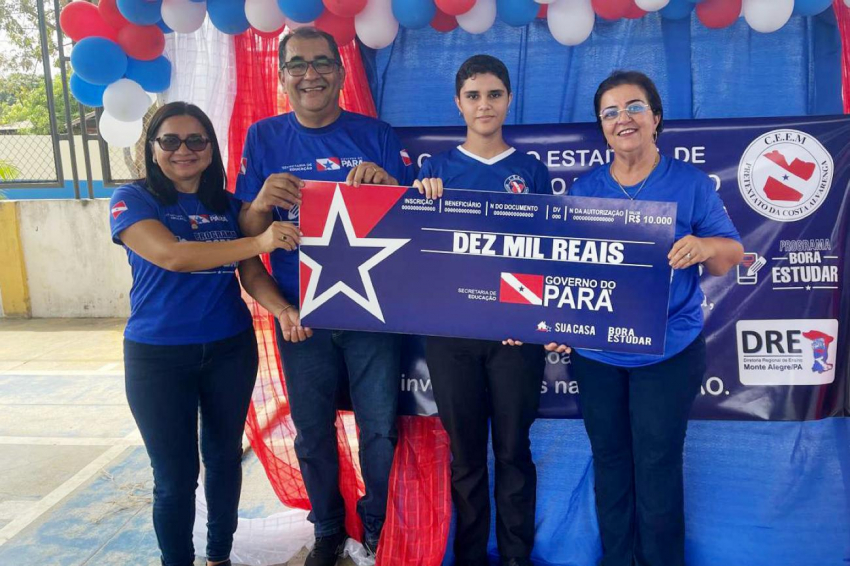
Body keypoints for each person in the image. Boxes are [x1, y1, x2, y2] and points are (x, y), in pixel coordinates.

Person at [547, 70, 744, 566]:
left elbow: (730, 254)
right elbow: (568, 271)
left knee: (656, 465)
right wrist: (557, 324)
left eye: (634, 107)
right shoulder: (585, 188)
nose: (623, 119)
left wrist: (703, 246)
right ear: (602, 127)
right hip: (597, 355)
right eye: (610, 112)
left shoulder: (691, 183)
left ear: (655, 117)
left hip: (668, 350)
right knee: (611, 465)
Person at [235, 27, 414, 566]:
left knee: (379, 429)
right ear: (282, 75)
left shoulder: (376, 133)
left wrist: (388, 185)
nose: (309, 74)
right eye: (297, 65)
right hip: (300, 317)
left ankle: (378, 521)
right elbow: (244, 236)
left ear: (339, 74)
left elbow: (415, 228)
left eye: (321, 64)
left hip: (372, 312)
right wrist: (262, 201)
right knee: (312, 432)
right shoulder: (263, 137)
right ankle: (329, 529)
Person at [109, 101, 299, 566]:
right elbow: (173, 255)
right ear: (152, 149)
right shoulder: (132, 199)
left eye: (196, 139)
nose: (184, 150)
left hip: (229, 350)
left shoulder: (227, 206)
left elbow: (251, 274)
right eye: (169, 140)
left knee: (223, 460)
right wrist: (259, 239)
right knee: (174, 477)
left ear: (212, 149)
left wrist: (283, 310)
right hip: (158, 357)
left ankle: (219, 557)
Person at [415, 54, 550, 566]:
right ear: (458, 103)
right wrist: (421, 200)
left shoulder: (531, 171)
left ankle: (517, 557)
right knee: (466, 457)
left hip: (516, 337)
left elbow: (547, 253)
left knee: (513, 451)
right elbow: (417, 255)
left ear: (508, 99)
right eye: (473, 95)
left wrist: (525, 317)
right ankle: (470, 556)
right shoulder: (435, 171)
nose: (484, 104)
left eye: (494, 94)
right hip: (452, 340)